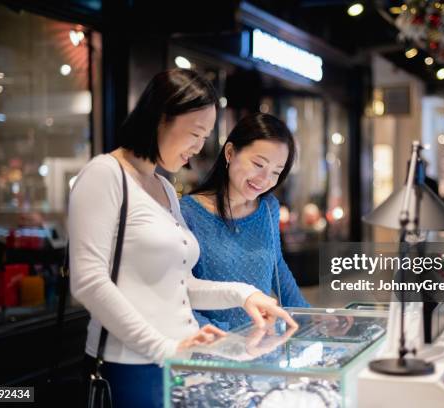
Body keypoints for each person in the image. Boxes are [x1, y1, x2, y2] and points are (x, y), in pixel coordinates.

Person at [68, 69, 296, 408]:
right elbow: (88, 282)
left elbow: (180, 284)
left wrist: (244, 294)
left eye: (205, 136)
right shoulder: (105, 174)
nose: (199, 147)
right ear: (161, 118)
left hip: (179, 360)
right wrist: (163, 348)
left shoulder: (163, 187)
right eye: (195, 133)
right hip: (133, 365)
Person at [180, 113, 309, 331]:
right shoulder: (188, 212)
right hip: (212, 350)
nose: (264, 179)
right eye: (259, 164)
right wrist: (216, 338)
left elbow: (277, 268)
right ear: (230, 153)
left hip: (263, 344)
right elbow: (181, 292)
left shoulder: (268, 208)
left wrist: (310, 316)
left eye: (276, 172)